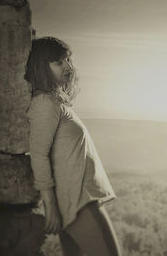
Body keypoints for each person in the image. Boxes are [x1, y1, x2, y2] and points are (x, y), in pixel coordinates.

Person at [24, 36, 123, 256]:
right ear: (42, 67)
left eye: (68, 60)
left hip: (75, 201)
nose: (68, 67)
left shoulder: (53, 102)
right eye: (58, 63)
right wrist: (50, 207)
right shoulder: (45, 104)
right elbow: (39, 156)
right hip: (77, 203)